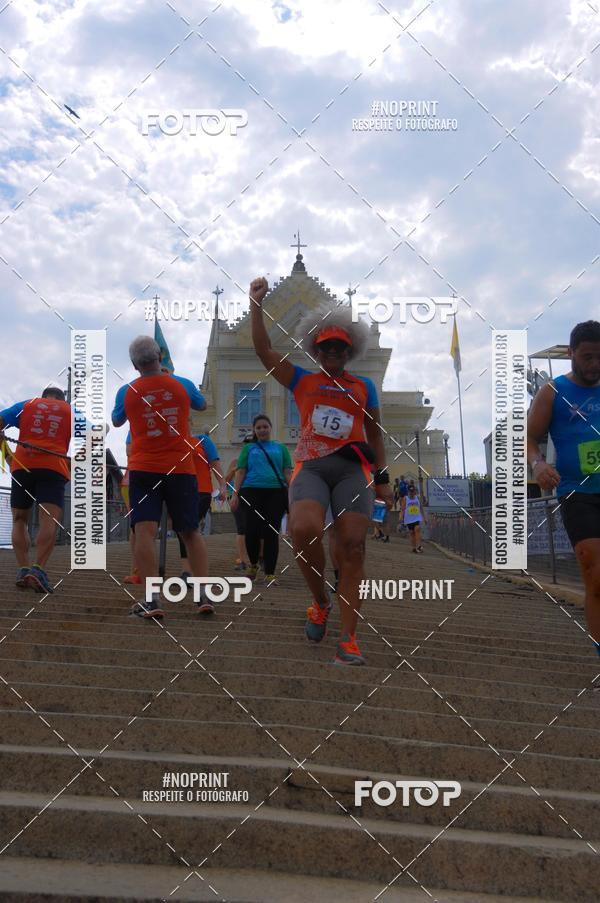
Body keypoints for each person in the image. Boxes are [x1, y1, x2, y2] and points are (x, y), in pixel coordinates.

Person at [249, 276, 393, 666]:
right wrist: (255, 304)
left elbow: (376, 434)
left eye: (340, 346)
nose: (333, 350)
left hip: (351, 472)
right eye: (326, 345)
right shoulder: (303, 379)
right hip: (311, 467)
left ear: (349, 351)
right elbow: (263, 351)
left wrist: (382, 480)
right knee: (303, 529)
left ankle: (349, 638)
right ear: (315, 349)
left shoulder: (363, 387)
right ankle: (319, 601)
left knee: (353, 549)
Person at [112, 336, 207, 619]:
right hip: (181, 467)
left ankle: (152, 599)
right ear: (160, 357)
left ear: (134, 364)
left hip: (143, 468)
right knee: (190, 531)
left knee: (144, 531)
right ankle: (203, 595)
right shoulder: (183, 384)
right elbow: (201, 405)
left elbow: (117, 421)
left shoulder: (127, 390)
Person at [527, 320, 600, 653]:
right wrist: (538, 464)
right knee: (595, 573)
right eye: (587, 357)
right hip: (578, 492)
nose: (594, 365)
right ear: (570, 353)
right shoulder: (552, 392)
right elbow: (528, 437)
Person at [0, 387, 71, 593]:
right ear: (61, 398)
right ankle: (37, 569)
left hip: (22, 466)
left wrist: (7, 454)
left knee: (19, 519)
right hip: (54, 466)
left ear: (43, 397)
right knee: (48, 519)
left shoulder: (27, 405)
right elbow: (97, 432)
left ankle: (23, 569)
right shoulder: (69, 410)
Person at [230, 414, 291, 584]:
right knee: (252, 530)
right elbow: (240, 471)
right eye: (258, 428)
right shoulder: (248, 448)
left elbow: (287, 472)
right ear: (254, 430)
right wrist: (235, 494)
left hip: (276, 492)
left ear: (270, 428)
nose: (262, 430)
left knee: (271, 532)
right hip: (251, 491)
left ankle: (270, 573)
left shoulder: (281, 448)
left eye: (265, 427)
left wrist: (292, 492)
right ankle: (253, 565)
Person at [178, 427, 226, 610]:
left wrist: (222, 486)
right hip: (180, 491)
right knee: (184, 529)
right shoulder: (174, 440)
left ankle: (189, 573)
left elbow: (215, 464)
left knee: (189, 529)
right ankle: (186, 571)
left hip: (202, 491)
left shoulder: (203, 441)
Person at [225, 437, 252, 571]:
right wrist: (235, 469)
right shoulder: (236, 461)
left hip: (254, 496)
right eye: (246, 444)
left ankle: (257, 559)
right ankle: (242, 560)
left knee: (254, 528)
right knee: (241, 528)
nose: (248, 446)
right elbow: (226, 480)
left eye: (251, 444)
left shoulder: (257, 462)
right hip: (237, 496)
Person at [401, 484, 426, 553]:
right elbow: (403, 509)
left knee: (417, 529)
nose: (412, 493)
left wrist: (424, 518)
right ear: (408, 491)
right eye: (410, 491)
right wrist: (401, 517)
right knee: (412, 533)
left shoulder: (417, 497)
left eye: (413, 491)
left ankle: (419, 546)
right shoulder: (405, 498)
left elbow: (421, 508)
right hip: (409, 518)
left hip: (416, 517)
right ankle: (414, 547)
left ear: (414, 491)